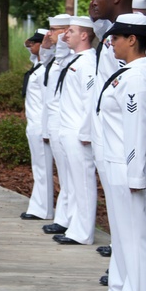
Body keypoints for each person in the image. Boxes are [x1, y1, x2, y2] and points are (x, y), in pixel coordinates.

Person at [86, 13, 146, 291]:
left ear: (133, 40)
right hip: (119, 163)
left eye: (116, 37)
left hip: (130, 166)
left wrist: (135, 174)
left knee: (136, 237)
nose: (111, 42)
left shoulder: (137, 78)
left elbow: (137, 131)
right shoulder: (129, 72)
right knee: (124, 236)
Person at [87, 0, 138, 261]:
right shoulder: (111, 32)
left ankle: (129, 281)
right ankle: (121, 275)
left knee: (129, 217)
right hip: (106, 132)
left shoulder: (129, 37)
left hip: (120, 136)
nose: (93, 0)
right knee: (118, 213)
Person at [52, 15, 98, 246]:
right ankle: (74, 224)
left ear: (84, 35)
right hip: (67, 129)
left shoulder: (88, 63)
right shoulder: (74, 59)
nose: (64, 35)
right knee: (73, 181)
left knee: (83, 182)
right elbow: (60, 53)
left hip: (79, 131)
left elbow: (90, 99)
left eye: (70, 31)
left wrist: (86, 132)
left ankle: (83, 231)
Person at [42, 13, 73, 236]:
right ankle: (64, 216)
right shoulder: (57, 57)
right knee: (64, 175)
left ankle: (69, 219)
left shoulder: (73, 58)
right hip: (54, 123)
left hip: (66, 123)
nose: (50, 34)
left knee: (71, 177)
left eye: (55, 30)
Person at [20, 27, 55, 221]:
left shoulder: (46, 70)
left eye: (36, 42)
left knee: (43, 168)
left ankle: (43, 208)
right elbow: (32, 51)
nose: (30, 45)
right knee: (38, 168)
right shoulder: (38, 66)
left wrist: (47, 46)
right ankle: (39, 205)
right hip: (33, 124)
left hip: (41, 126)